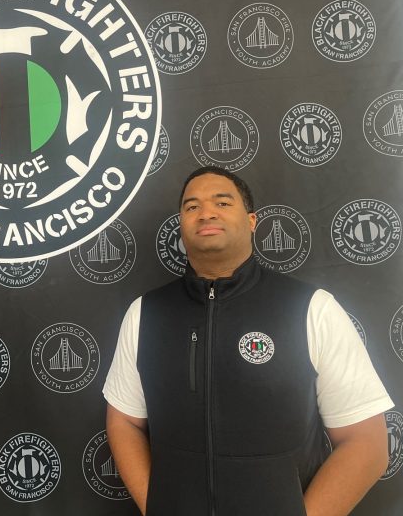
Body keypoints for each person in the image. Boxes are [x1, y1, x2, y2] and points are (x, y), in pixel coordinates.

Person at [104, 166, 393, 516]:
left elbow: (366, 443)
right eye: (191, 206)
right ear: (181, 224)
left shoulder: (311, 309)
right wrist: (156, 505)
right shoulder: (145, 313)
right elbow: (124, 422)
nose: (206, 212)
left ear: (252, 220)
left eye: (222, 202)